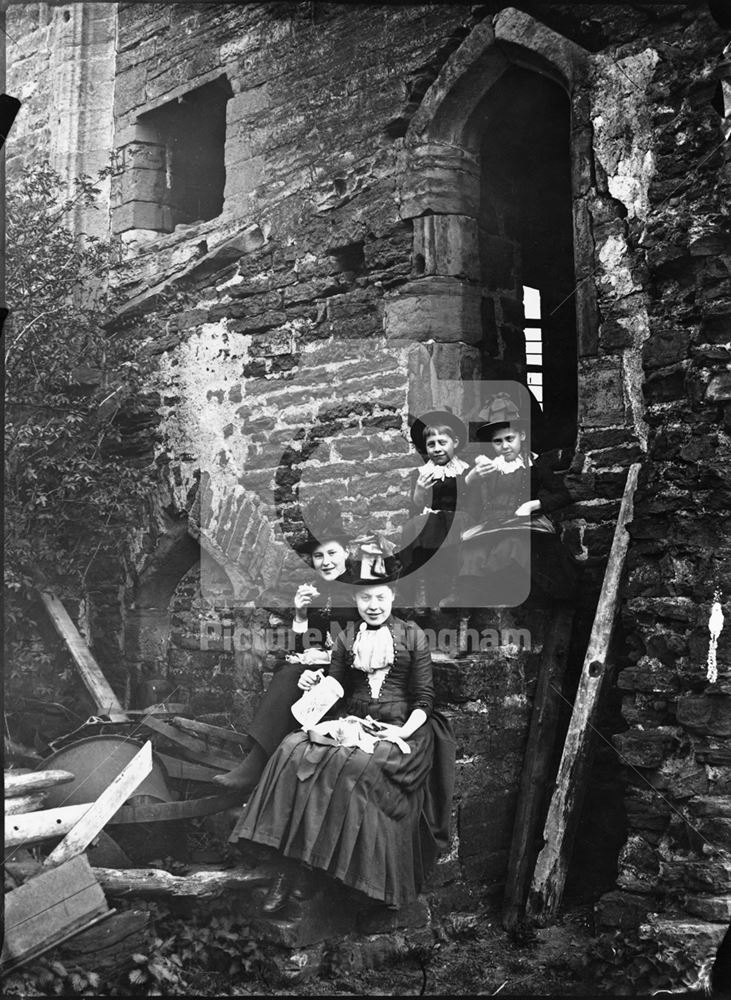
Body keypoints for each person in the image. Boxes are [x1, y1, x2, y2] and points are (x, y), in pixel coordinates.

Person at [228, 549, 455, 914]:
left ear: (393, 595)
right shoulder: (347, 637)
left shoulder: (413, 636)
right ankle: (291, 866)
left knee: (353, 767)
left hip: (403, 729)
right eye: (365, 597)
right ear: (356, 599)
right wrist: (312, 679)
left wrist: (397, 734)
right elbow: (336, 684)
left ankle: (311, 872)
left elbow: (424, 700)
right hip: (356, 720)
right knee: (292, 749)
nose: (374, 604)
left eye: (381, 596)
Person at [213, 500, 358, 791]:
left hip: (352, 673)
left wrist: (328, 657)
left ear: (347, 552)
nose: (326, 561)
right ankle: (260, 761)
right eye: (319, 556)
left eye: (332, 553)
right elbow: (304, 645)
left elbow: (367, 641)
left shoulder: (361, 589)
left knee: (290, 675)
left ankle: (255, 766)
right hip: (322, 671)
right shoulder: (318, 591)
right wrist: (302, 615)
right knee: (289, 670)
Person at [443, 393, 578, 608]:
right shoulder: (490, 467)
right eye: (498, 442)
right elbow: (466, 498)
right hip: (491, 524)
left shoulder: (535, 465)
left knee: (511, 547)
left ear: (522, 435)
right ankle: (464, 599)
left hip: (521, 524)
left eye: (509, 439)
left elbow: (565, 495)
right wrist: (473, 480)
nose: (505, 446)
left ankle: (503, 593)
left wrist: (534, 504)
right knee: (474, 552)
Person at [398, 408, 472, 609]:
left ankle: (455, 591)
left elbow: (471, 499)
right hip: (430, 520)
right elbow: (415, 508)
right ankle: (420, 591)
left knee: (453, 523)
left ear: (455, 443)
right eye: (431, 444)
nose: (437, 449)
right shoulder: (421, 473)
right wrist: (419, 491)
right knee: (412, 528)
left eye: (442, 443)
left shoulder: (465, 469)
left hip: (458, 518)